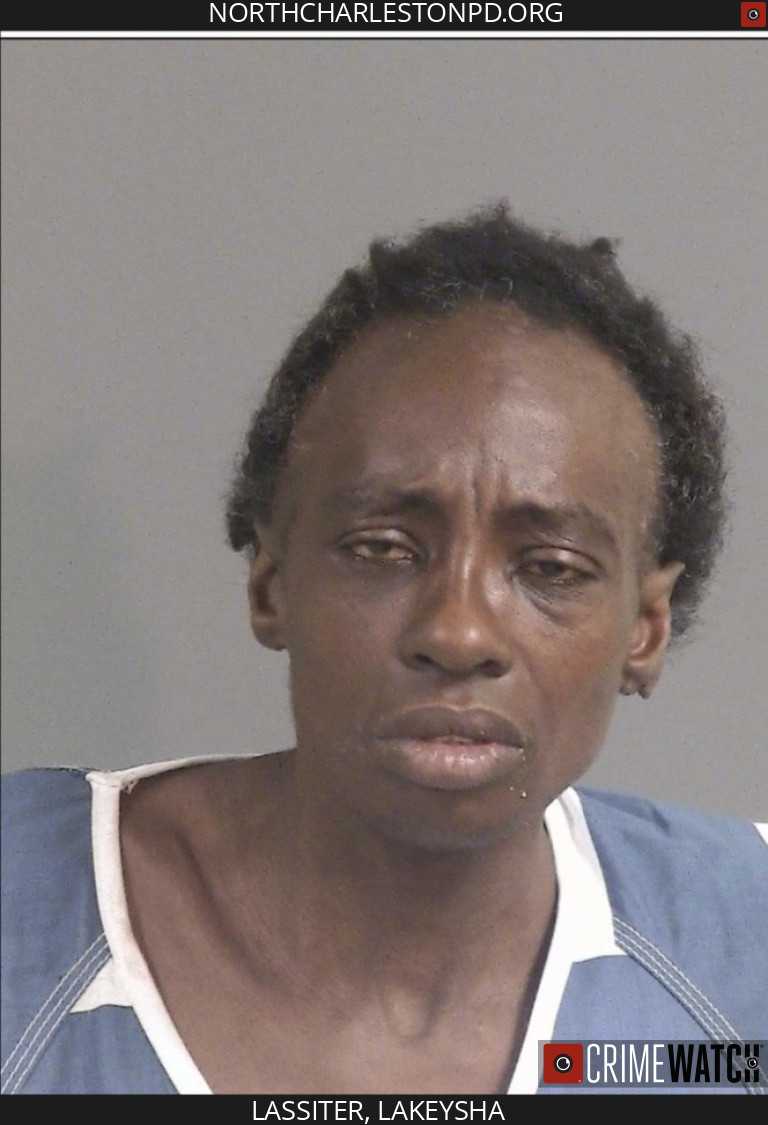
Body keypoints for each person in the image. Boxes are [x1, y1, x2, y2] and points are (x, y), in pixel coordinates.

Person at [2, 204, 765, 1097]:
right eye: (382, 549)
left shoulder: (742, 945)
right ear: (271, 582)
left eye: (551, 568)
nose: (459, 632)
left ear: (646, 627)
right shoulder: (24, 915)